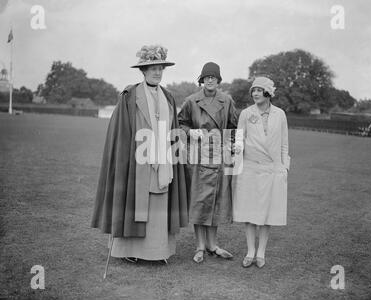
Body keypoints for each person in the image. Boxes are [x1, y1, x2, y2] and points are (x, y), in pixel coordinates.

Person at [91, 45, 188, 264]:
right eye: (152, 68)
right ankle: (130, 251)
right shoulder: (130, 95)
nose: (157, 72)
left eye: (160, 68)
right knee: (135, 203)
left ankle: (157, 251)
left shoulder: (168, 97)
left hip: (163, 159)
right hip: (137, 160)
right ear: (143, 71)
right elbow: (120, 130)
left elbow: (172, 129)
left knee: (159, 202)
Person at [178, 62, 239, 263]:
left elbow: (233, 127)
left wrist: (231, 147)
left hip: (220, 158)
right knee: (199, 202)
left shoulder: (227, 101)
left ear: (218, 80)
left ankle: (213, 245)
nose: (210, 80)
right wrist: (191, 132)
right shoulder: (191, 101)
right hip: (197, 157)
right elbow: (180, 124)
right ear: (202, 80)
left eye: (214, 77)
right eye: (207, 77)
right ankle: (200, 247)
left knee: (216, 201)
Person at [232, 76, 290, 268]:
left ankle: (261, 253)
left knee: (267, 215)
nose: (255, 94)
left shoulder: (280, 114)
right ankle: (250, 252)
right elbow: (239, 140)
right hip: (249, 168)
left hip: (272, 170)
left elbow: (284, 143)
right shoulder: (246, 113)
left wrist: (284, 166)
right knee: (249, 213)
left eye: (259, 90)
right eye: (253, 91)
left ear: (268, 93)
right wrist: (237, 159)